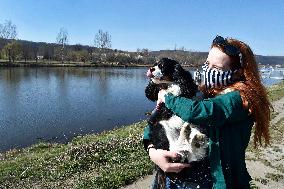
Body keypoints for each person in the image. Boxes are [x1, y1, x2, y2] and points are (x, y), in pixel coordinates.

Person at [143, 35, 271, 189]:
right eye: (207, 63)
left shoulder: (240, 100)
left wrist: (167, 97)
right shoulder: (202, 92)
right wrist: (152, 152)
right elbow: (154, 123)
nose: (207, 70)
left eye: (215, 68)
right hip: (169, 179)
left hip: (207, 183)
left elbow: (199, 112)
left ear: (237, 73)